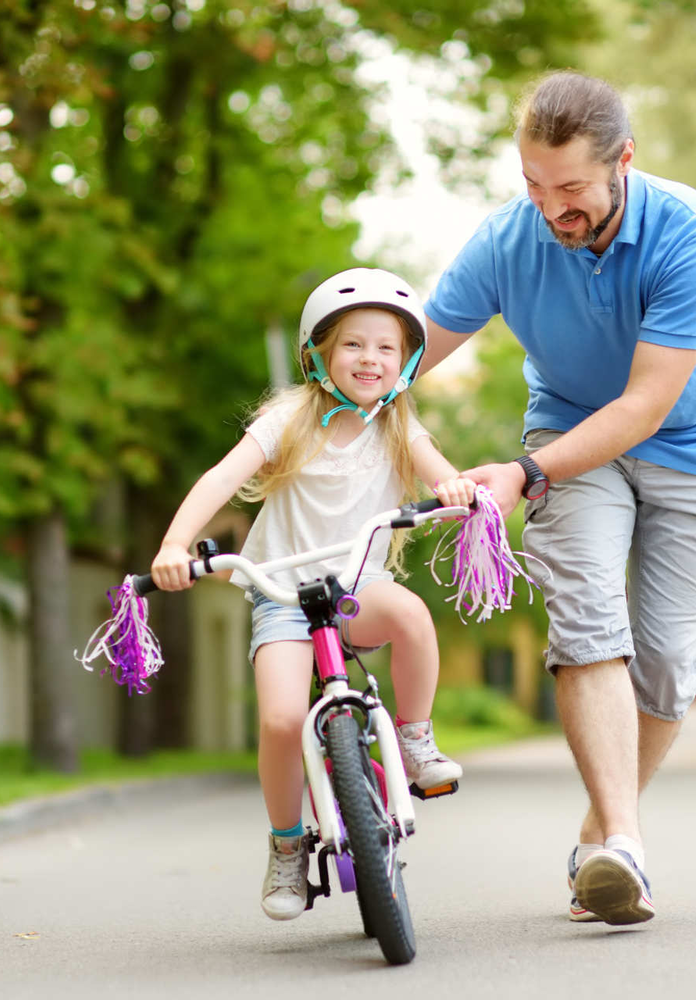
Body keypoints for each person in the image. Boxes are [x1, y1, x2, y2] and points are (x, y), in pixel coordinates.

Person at [421, 71, 696, 925]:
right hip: (569, 440)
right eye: (533, 184)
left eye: (570, 188)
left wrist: (522, 478)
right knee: (587, 619)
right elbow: (410, 349)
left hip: (693, 441)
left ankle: (604, 836)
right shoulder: (508, 239)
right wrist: (329, 387)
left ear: (624, 163)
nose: (550, 209)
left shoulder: (690, 232)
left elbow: (646, 404)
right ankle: (623, 849)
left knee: (670, 661)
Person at [150, 267, 475, 922]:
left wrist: (457, 491)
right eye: (354, 344)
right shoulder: (289, 418)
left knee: (411, 615)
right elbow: (220, 479)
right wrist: (174, 545)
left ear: (406, 361)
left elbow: (443, 477)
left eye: (387, 347)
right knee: (277, 721)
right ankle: (287, 845)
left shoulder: (397, 426)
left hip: (359, 590)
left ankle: (413, 739)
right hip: (282, 596)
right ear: (320, 353)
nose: (370, 359)